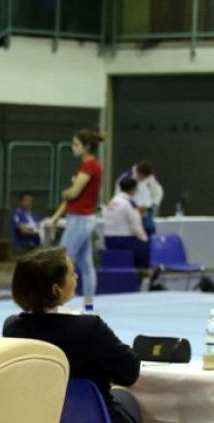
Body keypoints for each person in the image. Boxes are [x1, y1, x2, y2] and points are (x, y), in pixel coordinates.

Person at [2, 246, 145, 423]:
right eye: (71, 273)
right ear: (56, 289)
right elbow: (129, 373)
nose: (76, 276)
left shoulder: (13, 328)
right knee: (124, 397)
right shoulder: (89, 328)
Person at [45, 129, 103, 311]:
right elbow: (70, 200)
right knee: (86, 264)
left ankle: (57, 302)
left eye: (76, 144)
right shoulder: (86, 166)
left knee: (62, 262)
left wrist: (65, 192)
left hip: (81, 220)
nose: (73, 147)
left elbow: (73, 193)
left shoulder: (90, 166)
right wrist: (55, 217)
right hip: (79, 218)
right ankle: (88, 305)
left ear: (86, 147)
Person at [103, 177, 148, 268]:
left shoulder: (112, 201)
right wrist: (145, 240)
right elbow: (136, 226)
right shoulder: (129, 203)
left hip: (109, 241)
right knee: (147, 248)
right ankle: (143, 274)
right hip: (124, 241)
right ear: (133, 189)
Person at [116, 161, 162, 234]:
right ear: (139, 172)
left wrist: (154, 205)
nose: (144, 179)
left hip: (145, 212)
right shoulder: (126, 178)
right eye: (142, 177)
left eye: (145, 178)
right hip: (130, 212)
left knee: (149, 230)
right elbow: (119, 196)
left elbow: (158, 191)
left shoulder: (150, 178)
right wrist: (134, 207)